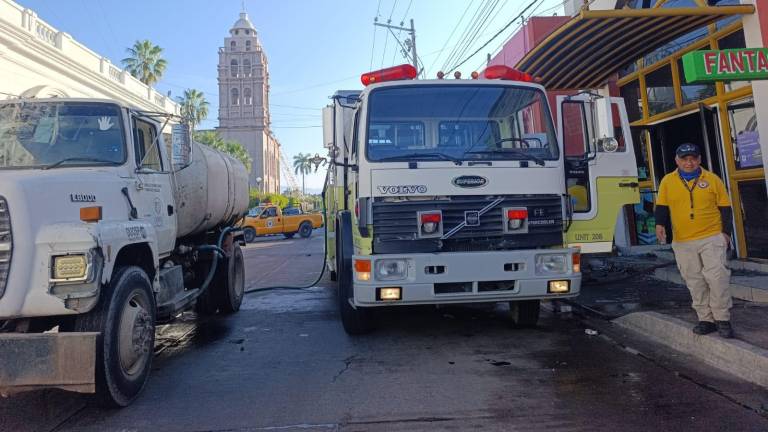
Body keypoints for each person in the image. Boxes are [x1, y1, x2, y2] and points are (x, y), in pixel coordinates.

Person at [655, 143, 734, 338]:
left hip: (711, 236)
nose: (688, 162)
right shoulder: (667, 181)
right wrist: (660, 225)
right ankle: (706, 319)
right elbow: (662, 207)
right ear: (677, 160)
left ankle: (722, 319)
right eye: (684, 159)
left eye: (693, 158)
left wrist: (726, 233)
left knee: (717, 278)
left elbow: (725, 208)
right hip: (683, 241)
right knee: (695, 281)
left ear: (699, 160)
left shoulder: (712, 179)